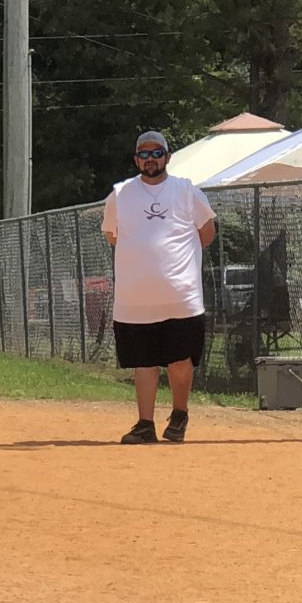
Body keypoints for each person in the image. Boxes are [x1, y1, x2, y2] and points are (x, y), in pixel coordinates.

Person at [101, 129, 216, 443]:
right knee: (144, 362)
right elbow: (112, 235)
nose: (150, 159)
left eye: (156, 153)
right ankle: (145, 424)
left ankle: (179, 416)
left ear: (167, 157)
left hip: (181, 297)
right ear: (136, 159)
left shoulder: (186, 191)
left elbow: (207, 233)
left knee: (180, 360)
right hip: (135, 300)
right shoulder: (120, 194)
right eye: (144, 154)